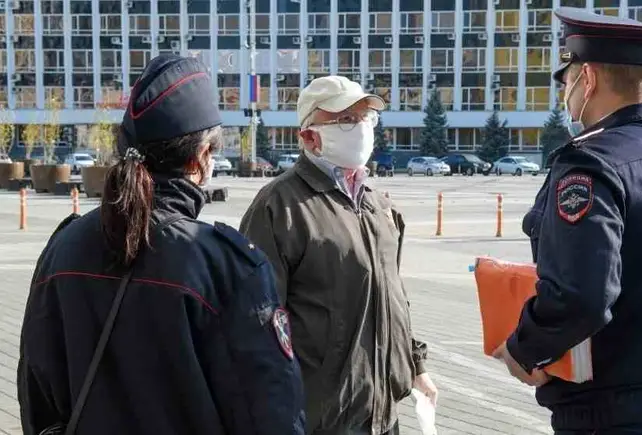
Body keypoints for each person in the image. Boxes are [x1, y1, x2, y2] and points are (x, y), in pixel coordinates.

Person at [17, 54, 305, 435]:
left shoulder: (64, 248)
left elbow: (35, 392)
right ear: (202, 157)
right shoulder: (226, 267)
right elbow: (271, 414)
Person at [492, 7, 642, 434]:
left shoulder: (590, 162)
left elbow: (581, 296)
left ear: (588, 79)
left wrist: (523, 348)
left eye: (565, 80)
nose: (565, 93)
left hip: (617, 417)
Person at [239, 75, 437, 435]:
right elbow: (256, 322)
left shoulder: (379, 205)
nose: (360, 128)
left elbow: (391, 296)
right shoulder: (279, 207)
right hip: (319, 419)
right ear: (309, 134)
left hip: (382, 414)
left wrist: (414, 363)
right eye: (346, 119)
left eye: (367, 118)